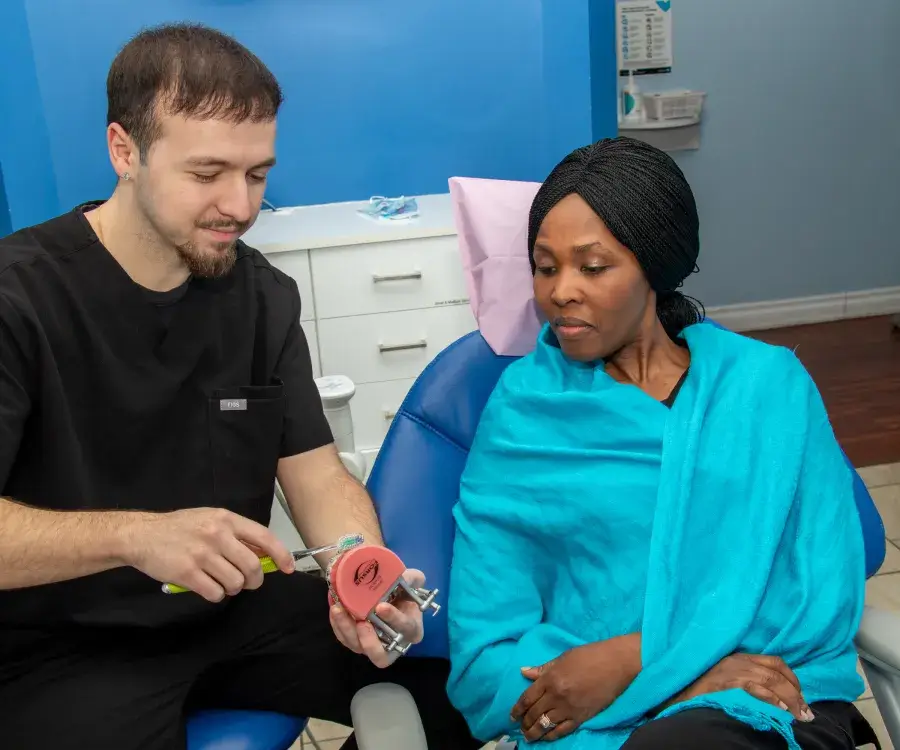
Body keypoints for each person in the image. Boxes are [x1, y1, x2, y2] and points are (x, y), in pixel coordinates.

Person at [0, 23, 478, 750]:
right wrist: (134, 535)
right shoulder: (18, 300)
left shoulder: (262, 297)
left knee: (453, 695)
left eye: (257, 173)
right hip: (61, 647)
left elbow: (314, 471)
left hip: (228, 612)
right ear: (123, 150)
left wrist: (359, 571)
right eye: (207, 173)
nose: (241, 204)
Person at [445, 137, 878, 750]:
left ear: (655, 265)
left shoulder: (766, 388)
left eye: (592, 267)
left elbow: (817, 593)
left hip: (768, 700)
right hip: (590, 719)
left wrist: (638, 662)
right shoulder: (524, 414)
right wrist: (674, 680)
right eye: (545, 267)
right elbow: (486, 648)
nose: (561, 290)